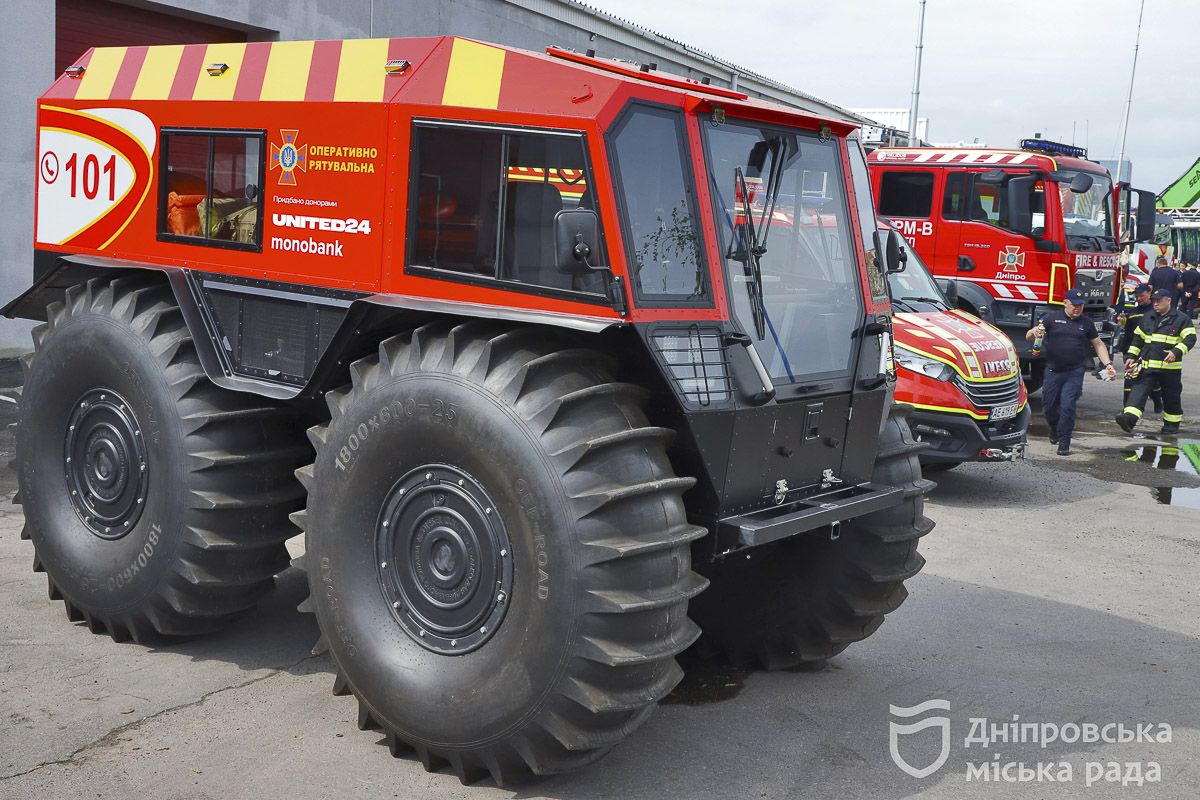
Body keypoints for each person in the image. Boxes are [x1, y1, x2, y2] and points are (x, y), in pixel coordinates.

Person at [1026, 287, 1117, 455]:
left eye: (1080, 305)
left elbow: (1098, 344)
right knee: (1049, 407)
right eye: (1074, 305)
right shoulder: (1051, 318)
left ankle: (1064, 441)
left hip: (1074, 372)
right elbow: (1030, 337)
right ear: (1065, 303)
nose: (1077, 308)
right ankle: (1055, 429)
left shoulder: (1086, 323)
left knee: (1068, 406)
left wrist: (1108, 363)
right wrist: (1033, 332)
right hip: (1053, 370)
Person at [1116, 289, 1197, 435]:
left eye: (1159, 300)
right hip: (1147, 367)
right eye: (1154, 301)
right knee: (1137, 393)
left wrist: (1176, 352)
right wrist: (1131, 357)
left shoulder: (1181, 319)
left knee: (1171, 397)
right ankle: (1128, 420)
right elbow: (1137, 339)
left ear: (1169, 300)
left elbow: (1190, 338)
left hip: (1170, 369)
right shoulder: (1148, 317)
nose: (1155, 303)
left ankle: (1171, 426)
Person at [1118, 282, 1162, 412]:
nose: (1138, 298)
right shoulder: (1132, 313)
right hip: (1134, 353)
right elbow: (1127, 334)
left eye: (1141, 295)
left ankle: (1158, 403)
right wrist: (1125, 352)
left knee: (1152, 383)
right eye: (1137, 296)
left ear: (1149, 293)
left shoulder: (1156, 312)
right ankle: (1127, 409)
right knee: (1129, 382)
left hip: (1151, 354)